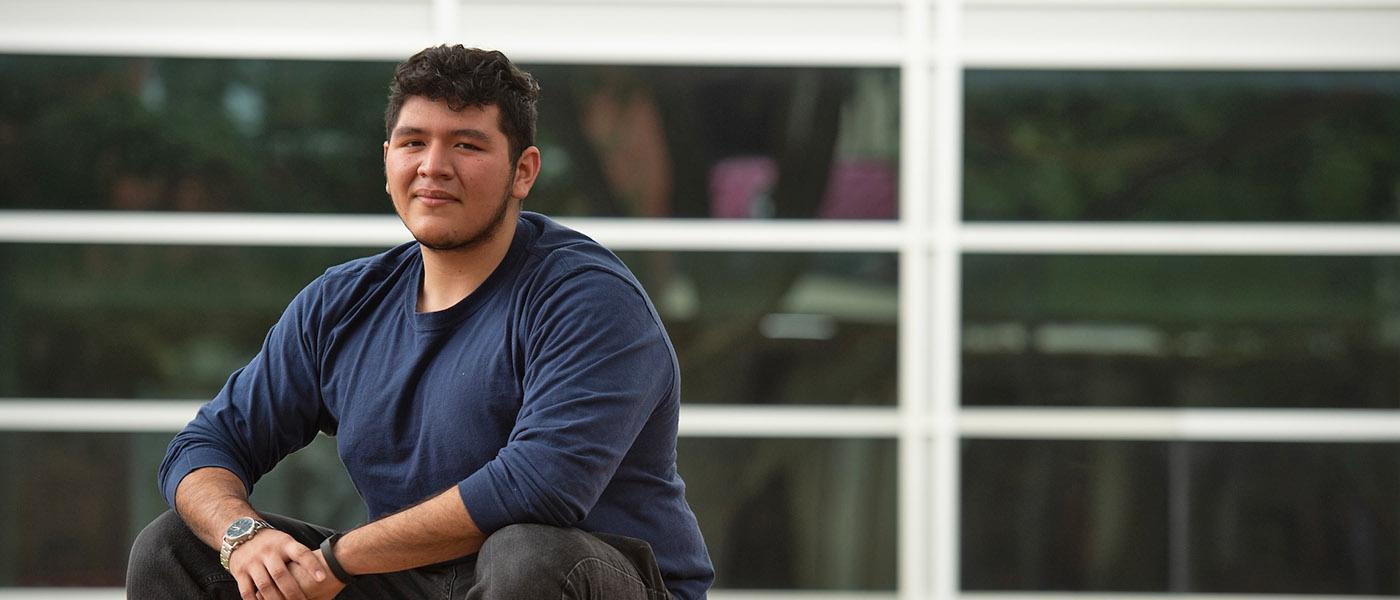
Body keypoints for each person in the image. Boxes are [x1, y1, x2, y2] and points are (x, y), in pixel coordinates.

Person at [125, 45, 714, 600]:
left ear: (523, 171)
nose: (434, 167)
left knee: (524, 553)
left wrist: (335, 559)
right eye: (413, 143)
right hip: (411, 582)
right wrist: (241, 536)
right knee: (173, 548)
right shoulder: (342, 303)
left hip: (591, 578)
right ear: (388, 161)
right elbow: (203, 447)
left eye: (467, 146)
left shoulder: (586, 298)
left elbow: (539, 486)